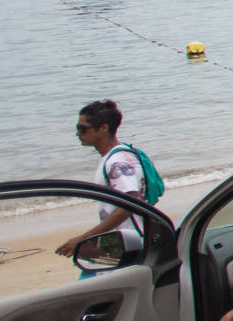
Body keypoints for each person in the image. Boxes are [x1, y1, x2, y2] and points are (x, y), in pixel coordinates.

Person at [55, 100, 159, 263]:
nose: (78, 133)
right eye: (77, 128)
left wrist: (85, 238)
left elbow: (131, 201)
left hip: (130, 246)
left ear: (103, 128)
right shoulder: (125, 152)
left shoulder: (116, 162)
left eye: (82, 128)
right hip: (130, 241)